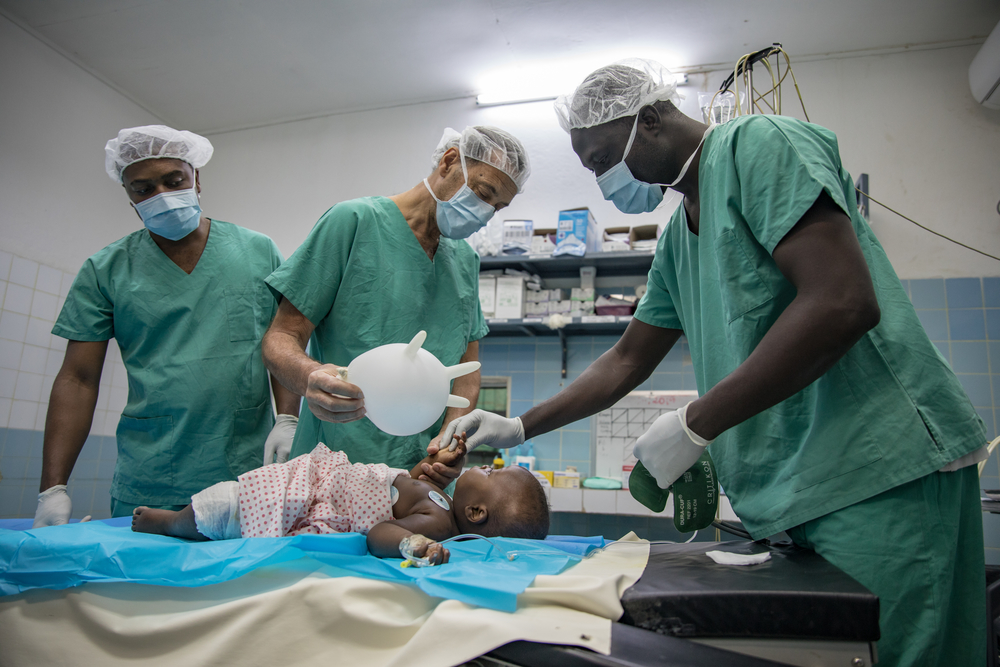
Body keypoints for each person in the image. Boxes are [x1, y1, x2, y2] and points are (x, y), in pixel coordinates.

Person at [440, 60, 987, 666]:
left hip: (879, 468)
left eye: (601, 161)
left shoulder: (760, 145)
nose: (602, 182)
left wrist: (697, 421)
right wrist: (519, 426)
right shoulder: (678, 237)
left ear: (647, 120)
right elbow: (626, 360)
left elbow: (842, 302)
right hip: (796, 494)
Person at [34, 125, 301, 525]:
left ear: (196, 178)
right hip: (152, 470)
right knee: (139, 586)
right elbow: (77, 379)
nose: (161, 195)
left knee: (239, 584)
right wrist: (52, 489)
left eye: (173, 180)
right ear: (129, 199)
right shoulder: (105, 269)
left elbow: (281, 340)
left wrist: (288, 418)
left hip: (244, 467)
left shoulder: (256, 250)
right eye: (143, 189)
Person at [262, 126, 530, 488]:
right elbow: (280, 338)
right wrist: (309, 378)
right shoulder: (352, 223)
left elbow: (465, 368)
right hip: (337, 467)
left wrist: (453, 438)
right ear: (450, 161)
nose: (485, 213)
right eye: (483, 193)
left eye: (497, 207)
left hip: (422, 474)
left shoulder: (464, 259)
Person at [131, 433, 550, 566]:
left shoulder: (437, 525)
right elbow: (406, 487)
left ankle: (172, 523)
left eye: (492, 473)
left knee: (231, 508)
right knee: (239, 498)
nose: (486, 466)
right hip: (320, 482)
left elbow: (380, 533)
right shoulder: (441, 502)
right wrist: (428, 468)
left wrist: (411, 546)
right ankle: (181, 519)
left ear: (476, 512)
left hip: (318, 500)